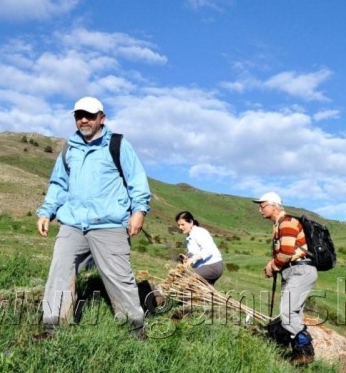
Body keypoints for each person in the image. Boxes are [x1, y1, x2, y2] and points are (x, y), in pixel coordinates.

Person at [36, 96, 151, 339]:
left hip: (109, 223)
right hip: (73, 223)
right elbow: (58, 184)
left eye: (89, 115)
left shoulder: (117, 144)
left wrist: (139, 211)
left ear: (102, 118)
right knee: (60, 268)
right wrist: (46, 211)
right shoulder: (70, 149)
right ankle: (54, 326)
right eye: (79, 115)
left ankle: (134, 328)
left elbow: (136, 179)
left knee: (118, 277)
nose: (84, 120)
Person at [253, 191, 316, 365]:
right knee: (295, 313)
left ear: (274, 205)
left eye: (263, 205)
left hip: (299, 271)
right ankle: (297, 355)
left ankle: (305, 348)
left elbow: (287, 252)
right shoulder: (281, 224)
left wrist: (272, 266)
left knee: (287, 313)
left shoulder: (287, 223)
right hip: (295, 272)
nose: (260, 210)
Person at [175, 211, 224, 285]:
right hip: (205, 266)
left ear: (191, 222)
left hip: (212, 266)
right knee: (203, 292)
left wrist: (191, 259)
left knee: (185, 277)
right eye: (179, 225)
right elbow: (196, 253)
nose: (180, 227)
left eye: (182, 224)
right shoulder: (190, 236)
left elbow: (208, 250)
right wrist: (187, 258)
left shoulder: (199, 232)